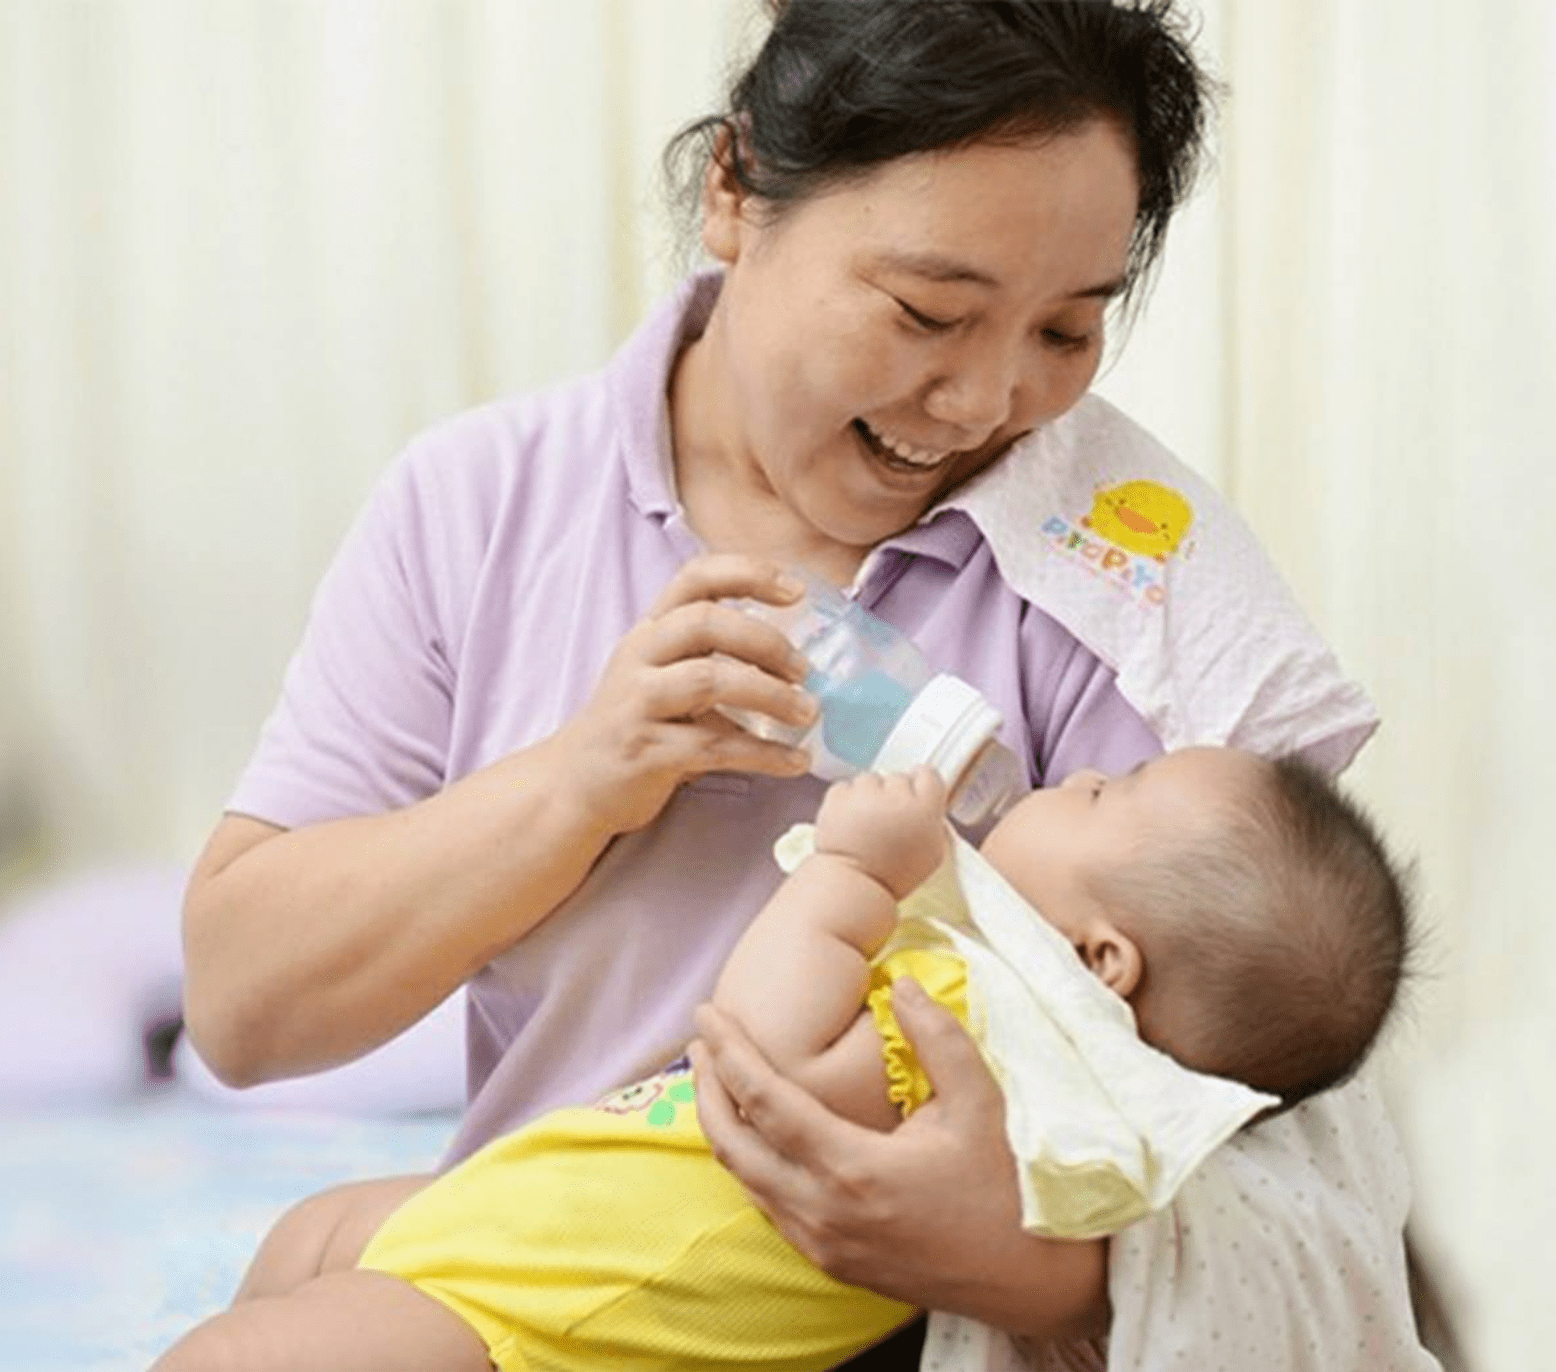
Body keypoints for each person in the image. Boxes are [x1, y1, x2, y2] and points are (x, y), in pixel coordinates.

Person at [177, 2, 1434, 1367]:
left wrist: (1026, 1267)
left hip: (843, 1324)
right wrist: (576, 783)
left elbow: (1316, 1206)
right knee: (295, 1261)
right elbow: (245, 1010)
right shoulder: (480, 505)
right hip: (551, 1232)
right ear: (734, 189)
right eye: (926, 312)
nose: (984, 401)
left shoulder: (1131, 582)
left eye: (1066, 331)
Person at [152, 748, 1413, 1370]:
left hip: (552, 1316)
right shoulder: (995, 1002)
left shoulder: (994, 1032)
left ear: (1100, 961)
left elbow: (767, 1059)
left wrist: (852, 873)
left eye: (1106, 794)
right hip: (535, 1214)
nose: (1077, 769)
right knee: (313, 1237)